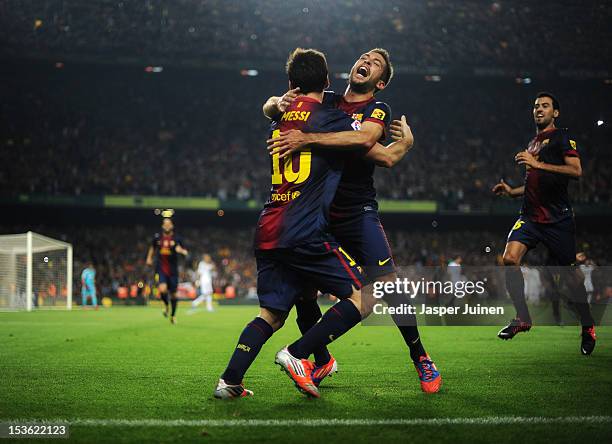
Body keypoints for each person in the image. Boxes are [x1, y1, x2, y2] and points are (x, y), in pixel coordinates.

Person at [214, 48, 414, 399]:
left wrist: (275, 102)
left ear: (292, 83)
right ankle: (296, 354)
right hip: (303, 229)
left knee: (271, 314)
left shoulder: (284, 114)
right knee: (367, 295)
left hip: (269, 227)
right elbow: (376, 149)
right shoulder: (330, 117)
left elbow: (270, 107)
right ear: (326, 82)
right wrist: (405, 144)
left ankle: (229, 381)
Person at [264, 49, 441, 392]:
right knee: (304, 292)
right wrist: (277, 102)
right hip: (313, 211)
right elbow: (272, 108)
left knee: (387, 283)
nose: (366, 62)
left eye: (375, 63)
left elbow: (367, 141)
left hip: (355, 210)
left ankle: (420, 356)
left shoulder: (377, 109)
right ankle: (319, 361)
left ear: (381, 81)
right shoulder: (325, 100)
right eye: (364, 57)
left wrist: (309, 137)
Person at [492, 92, 596, 355]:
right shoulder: (532, 143)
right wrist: (511, 190)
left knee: (571, 279)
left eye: (545, 106)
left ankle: (587, 326)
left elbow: (576, 171)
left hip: (557, 219)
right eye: (536, 106)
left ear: (555, 113)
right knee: (509, 259)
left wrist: (536, 163)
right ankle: (523, 318)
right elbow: (533, 182)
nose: (539, 109)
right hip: (529, 216)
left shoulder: (562, 137)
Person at [146, 217, 189, 324]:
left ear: (172, 226)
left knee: (174, 295)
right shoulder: (157, 238)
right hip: (161, 268)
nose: (167, 226)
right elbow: (152, 247)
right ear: (162, 226)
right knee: (162, 289)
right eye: (165, 224)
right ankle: (166, 305)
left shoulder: (177, 239)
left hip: (173, 271)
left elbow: (186, 252)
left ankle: (173, 316)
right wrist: (149, 258)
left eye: (169, 224)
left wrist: (182, 251)